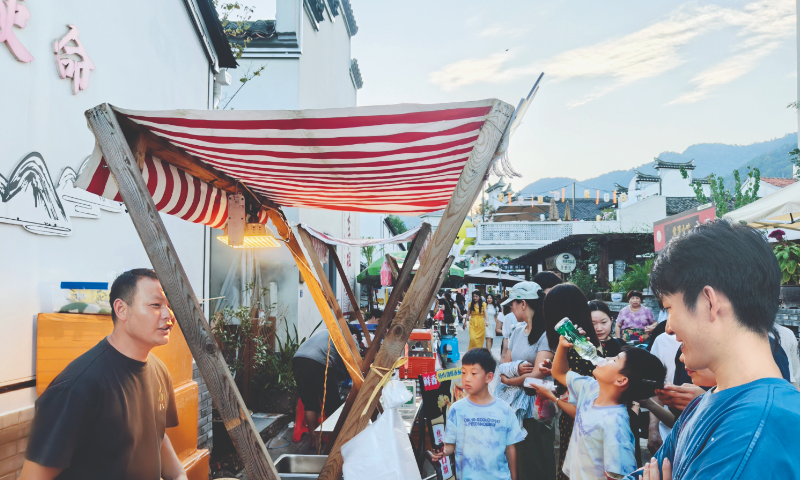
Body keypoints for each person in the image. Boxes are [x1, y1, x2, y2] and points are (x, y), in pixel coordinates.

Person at [632, 219, 800, 480]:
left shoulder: (756, 427)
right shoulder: (704, 401)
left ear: (709, 302)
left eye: (668, 309)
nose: (668, 328)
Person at [21, 269, 186, 480]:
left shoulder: (160, 371)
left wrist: (179, 475)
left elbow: (155, 437)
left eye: (169, 306)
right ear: (121, 309)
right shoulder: (77, 386)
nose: (168, 315)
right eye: (156, 305)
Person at [529, 335, 665, 480]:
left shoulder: (616, 424)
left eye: (614, 360)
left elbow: (619, 476)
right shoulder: (591, 388)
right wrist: (562, 346)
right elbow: (560, 373)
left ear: (621, 380)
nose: (605, 359)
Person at [430, 348, 526, 480]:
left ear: (489, 377)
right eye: (463, 373)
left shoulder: (504, 410)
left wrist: (514, 477)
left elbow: (510, 448)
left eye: (474, 373)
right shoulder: (456, 409)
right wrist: (442, 452)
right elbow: (450, 445)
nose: (466, 379)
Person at [541, 284, 604, 480]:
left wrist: (551, 396)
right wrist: (554, 364)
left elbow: (582, 405)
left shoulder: (577, 347)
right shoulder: (590, 342)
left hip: (579, 425)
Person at [498, 282, 557, 480]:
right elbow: (505, 365)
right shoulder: (516, 331)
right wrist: (511, 374)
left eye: (512, 304)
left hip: (538, 410)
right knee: (519, 461)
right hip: (515, 409)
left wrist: (509, 379)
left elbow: (537, 375)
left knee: (538, 461)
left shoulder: (547, 334)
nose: (511, 309)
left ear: (523, 304)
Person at [292, 326, 346, 449]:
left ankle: (313, 440)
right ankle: (335, 443)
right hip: (318, 362)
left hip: (298, 360)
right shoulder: (346, 337)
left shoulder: (323, 331)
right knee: (333, 404)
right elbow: (354, 360)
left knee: (310, 404)